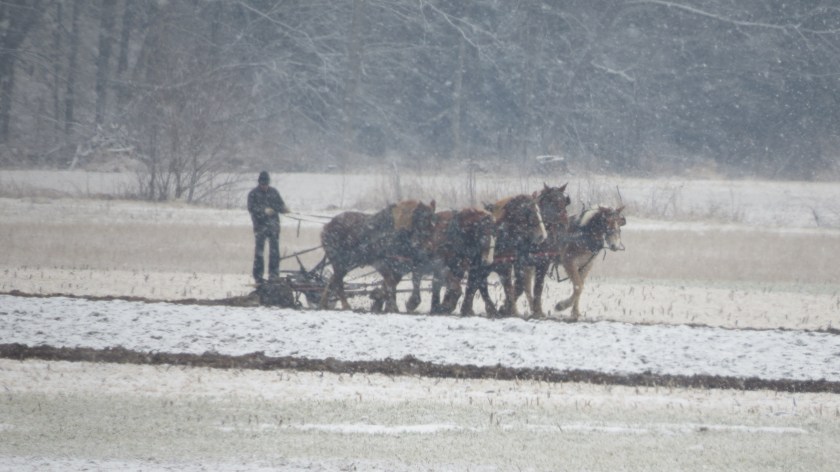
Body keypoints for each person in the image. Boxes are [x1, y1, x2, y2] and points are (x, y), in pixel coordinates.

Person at [247, 171, 289, 284]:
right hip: (260, 227)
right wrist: (263, 211)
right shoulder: (253, 194)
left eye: (266, 184)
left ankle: (273, 275)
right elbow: (251, 208)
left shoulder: (274, 192)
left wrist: (284, 208)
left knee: (274, 252)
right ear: (259, 183)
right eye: (262, 184)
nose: (264, 186)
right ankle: (258, 276)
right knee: (259, 253)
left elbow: (280, 204)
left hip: (274, 227)